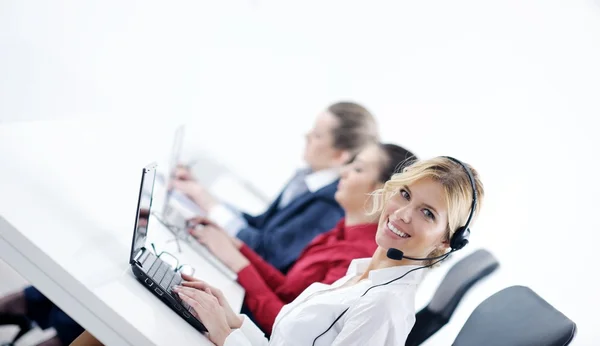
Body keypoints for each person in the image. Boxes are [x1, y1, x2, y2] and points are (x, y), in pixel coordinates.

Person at [69, 156, 485, 346]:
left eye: (427, 213)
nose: (402, 214)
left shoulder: (383, 305)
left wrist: (226, 337)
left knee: (119, 330)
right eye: (405, 195)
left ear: (447, 242)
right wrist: (233, 322)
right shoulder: (364, 271)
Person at [187, 143, 417, 334]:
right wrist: (236, 247)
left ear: (383, 191)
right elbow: (290, 290)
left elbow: (289, 324)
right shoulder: (342, 230)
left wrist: (238, 263)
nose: (343, 172)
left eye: (357, 169)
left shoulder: (360, 257)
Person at [171, 102, 379, 272]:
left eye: (316, 135)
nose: (306, 136)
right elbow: (260, 226)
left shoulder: (331, 204)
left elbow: (267, 253)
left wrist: (205, 201)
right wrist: (199, 194)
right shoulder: (306, 176)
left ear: (339, 155)